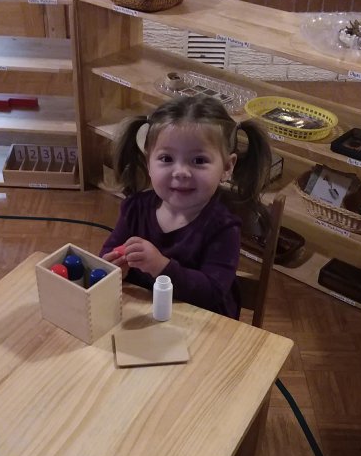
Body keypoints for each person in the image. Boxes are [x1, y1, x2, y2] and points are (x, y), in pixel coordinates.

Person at [100, 95, 272, 318]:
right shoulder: (134, 209)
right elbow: (108, 255)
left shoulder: (223, 227)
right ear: (148, 162)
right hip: (143, 313)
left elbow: (212, 292)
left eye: (199, 160)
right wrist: (114, 267)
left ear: (227, 167)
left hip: (202, 323)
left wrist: (161, 267)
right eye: (166, 158)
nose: (180, 172)